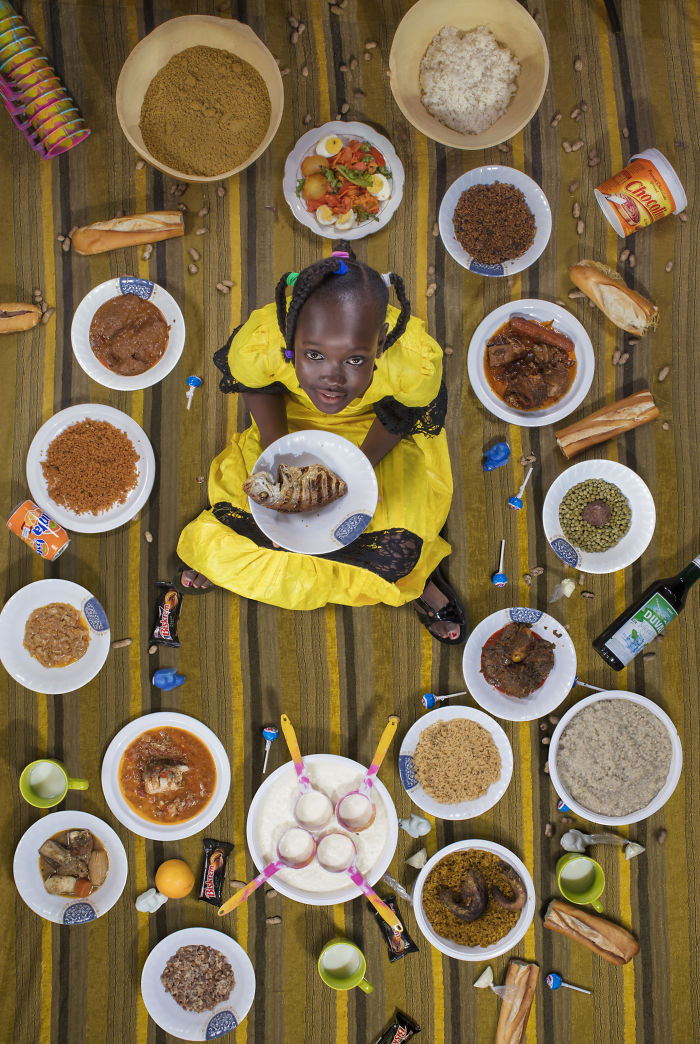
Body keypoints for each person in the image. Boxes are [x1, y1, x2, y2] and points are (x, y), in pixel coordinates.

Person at [176, 247, 467, 644]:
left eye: (354, 360)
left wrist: (354, 473)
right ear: (289, 336)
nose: (332, 379)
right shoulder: (263, 338)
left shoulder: (412, 359)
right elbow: (256, 387)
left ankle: (416, 581)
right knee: (247, 516)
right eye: (313, 355)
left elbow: (400, 417)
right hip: (289, 426)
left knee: (397, 553)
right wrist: (284, 462)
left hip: (376, 437)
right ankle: (266, 539)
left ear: (379, 342)